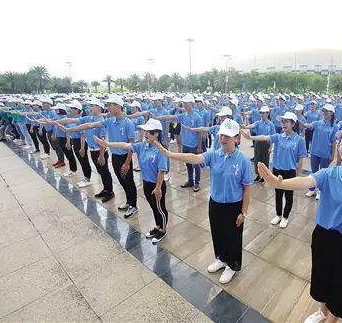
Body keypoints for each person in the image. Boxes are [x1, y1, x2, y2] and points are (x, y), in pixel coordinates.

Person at [257, 121, 342, 323]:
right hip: (324, 237)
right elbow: (307, 181)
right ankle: (321, 312)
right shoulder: (329, 174)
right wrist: (278, 183)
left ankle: (331, 319)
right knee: (322, 277)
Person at [155, 118, 252, 284]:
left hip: (234, 206)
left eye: (227, 136)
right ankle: (221, 259)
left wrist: (243, 212)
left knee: (233, 237)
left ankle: (232, 265)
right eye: (222, 135)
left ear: (236, 138)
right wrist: (171, 154)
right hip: (215, 203)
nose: (223, 139)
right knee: (217, 232)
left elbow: (248, 188)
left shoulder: (243, 161)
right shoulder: (214, 155)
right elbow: (193, 157)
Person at [60, 96, 139, 218]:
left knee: (128, 181)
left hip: (124, 158)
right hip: (115, 157)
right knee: (122, 181)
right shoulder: (110, 121)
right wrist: (69, 129)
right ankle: (129, 202)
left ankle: (133, 205)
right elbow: (89, 125)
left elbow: (131, 145)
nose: (108, 107)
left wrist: (128, 162)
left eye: (111, 105)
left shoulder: (128, 123)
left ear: (118, 106)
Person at [95, 118, 169, 243]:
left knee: (160, 208)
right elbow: (125, 145)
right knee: (153, 207)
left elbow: (161, 171)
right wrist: (107, 144)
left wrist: (157, 188)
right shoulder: (142, 146)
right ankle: (157, 226)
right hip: (146, 183)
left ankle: (163, 230)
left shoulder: (160, 150)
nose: (145, 134)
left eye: (148, 132)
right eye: (144, 131)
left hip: (157, 185)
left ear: (156, 133)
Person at [242, 111, 306, 228]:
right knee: (278, 193)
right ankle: (278, 215)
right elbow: (264, 137)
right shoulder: (278, 137)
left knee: (288, 195)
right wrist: (250, 137)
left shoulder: (299, 140)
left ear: (293, 123)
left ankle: (285, 217)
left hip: (290, 171)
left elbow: (301, 159)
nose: (283, 124)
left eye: (286, 122)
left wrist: (298, 174)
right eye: (282, 122)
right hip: (277, 170)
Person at [152, 94, 203, 192]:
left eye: (186, 103)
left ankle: (197, 183)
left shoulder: (197, 117)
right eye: (184, 103)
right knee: (188, 163)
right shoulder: (183, 115)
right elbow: (170, 116)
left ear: (191, 104)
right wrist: (159, 118)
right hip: (186, 144)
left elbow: (200, 132)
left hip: (194, 145)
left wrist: (199, 145)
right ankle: (190, 181)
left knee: (195, 164)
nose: (184, 105)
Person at [303, 104, 338, 200]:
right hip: (314, 152)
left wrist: (332, 155)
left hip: (325, 154)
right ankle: (312, 189)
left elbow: (334, 142)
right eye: (323, 111)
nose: (325, 113)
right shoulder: (317, 123)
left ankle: (320, 191)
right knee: (314, 172)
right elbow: (308, 126)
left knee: (322, 174)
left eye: (327, 111)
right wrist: (299, 120)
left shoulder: (334, 127)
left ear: (331, 113)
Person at [242, 105, 275, 183]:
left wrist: (271, 147)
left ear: (268, 113)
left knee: (265, 160)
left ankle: (264, 176)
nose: (262, 115)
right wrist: (245, 123)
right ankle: (258, 175)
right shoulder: (258, 122)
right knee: (257, 159)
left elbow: (272, 137)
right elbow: (251, 126)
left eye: (264, 113)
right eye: (261, 113)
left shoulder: (271, 125)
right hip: (258, 143)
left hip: (266, 144)